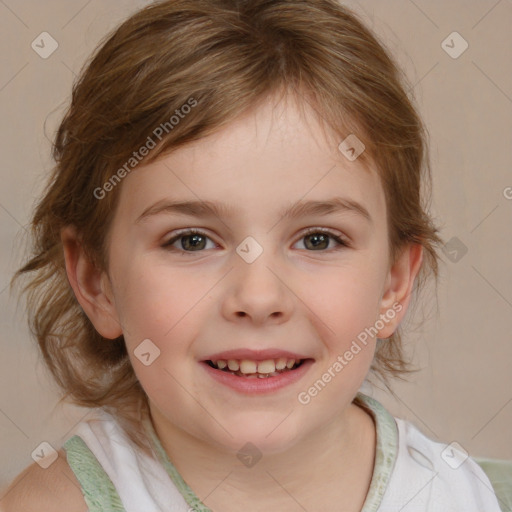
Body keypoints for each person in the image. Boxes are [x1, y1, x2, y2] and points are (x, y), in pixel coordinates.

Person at [1, 1, 510, 511]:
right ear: (97, 282)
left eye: (318, 240)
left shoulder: (466, 497)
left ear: (394, 283)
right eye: (191, 241)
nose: (259, 297)